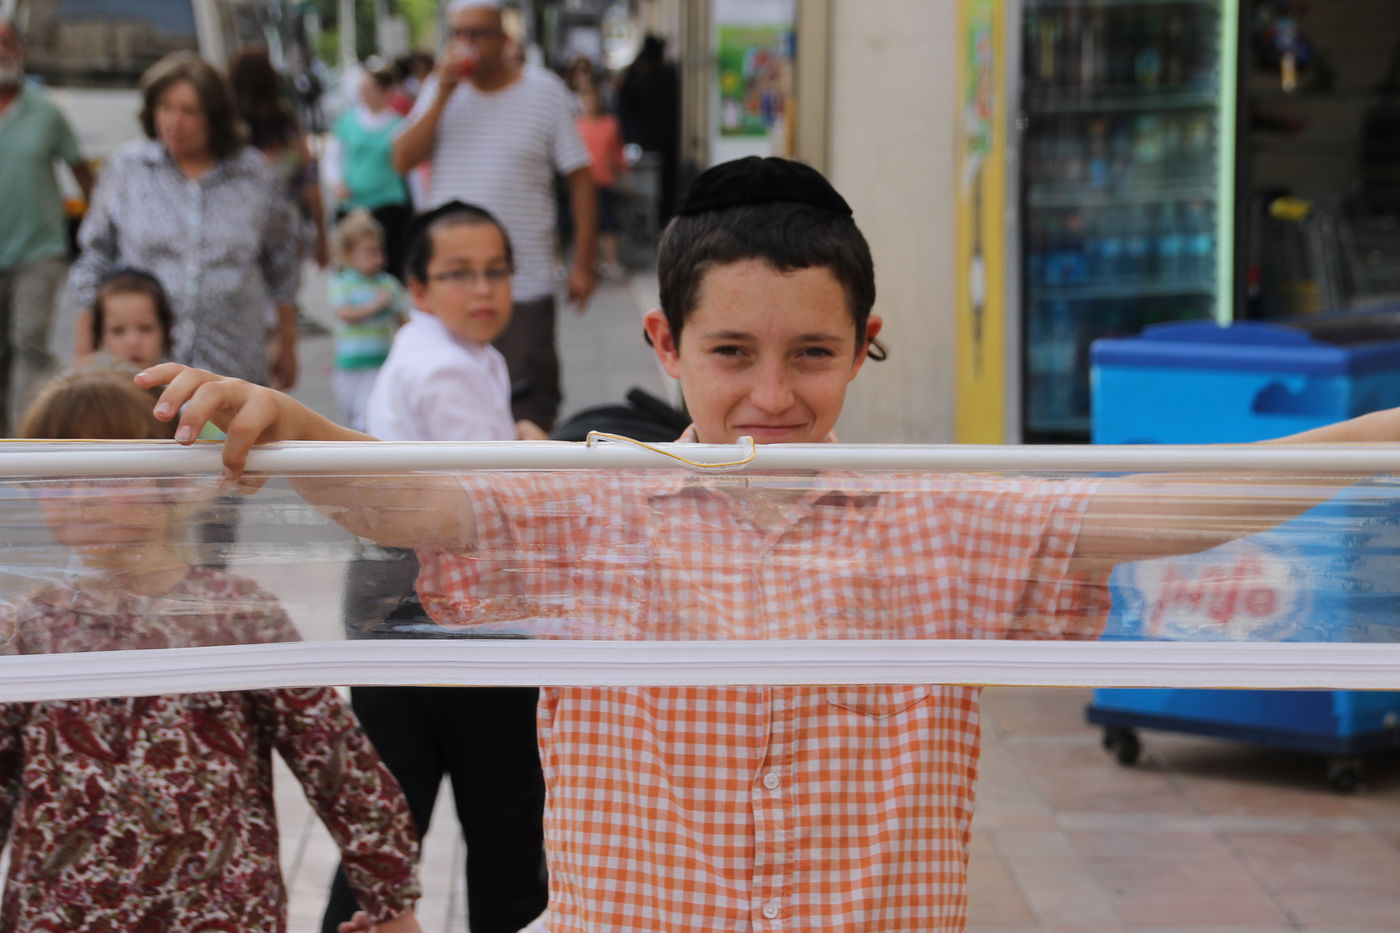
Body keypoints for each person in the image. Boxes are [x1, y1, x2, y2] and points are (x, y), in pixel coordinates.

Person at [137, 156, 1400, 932]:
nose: (772, 396)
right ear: (664, 344)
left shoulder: (940, 520)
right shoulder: (586, 505)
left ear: (866, 344)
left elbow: (1158, 508)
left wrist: (1377, 433)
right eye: (730, 353)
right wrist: (289, 427)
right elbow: (416, 507)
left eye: (814, 354)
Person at [0, 367, 424, 933]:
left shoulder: (234, 614)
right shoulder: (25, 630)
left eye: (104, 470)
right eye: (58, 477)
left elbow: (337, 763)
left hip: (221, 913)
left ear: (166, 477)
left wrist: (392, 902)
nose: (80, 496)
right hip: (58, 916)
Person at [322, 202, 547, 933]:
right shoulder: (445, 365)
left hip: (395, 596)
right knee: (502, 820)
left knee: (387, 818)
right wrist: (536, 453)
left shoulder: (450, 349)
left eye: (496, 271)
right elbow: (486, 504)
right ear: (417, 287)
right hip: (449, 608)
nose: (482, 288)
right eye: (458, 274)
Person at [392, 0, 598, 432]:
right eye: (459, 34)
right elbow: (402, 159)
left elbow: (580, 178)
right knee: (454, 404)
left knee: (529, 406)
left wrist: (583, 262)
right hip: (451, 282)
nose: (467, 44)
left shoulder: (544, 92)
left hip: (524, 282)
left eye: (478, 34)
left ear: (504, 39)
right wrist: (442, 94)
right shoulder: (439, 89)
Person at [65, 52, 301, 390]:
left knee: (227, 423)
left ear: (215, 117)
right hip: (144, 361)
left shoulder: (253, 175)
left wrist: (287, 342)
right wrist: (84, 349)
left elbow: (283, 261)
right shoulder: (128, 168)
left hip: (232, 355)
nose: (174, 122)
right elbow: (94, 257)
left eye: (189, 111)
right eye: (165, 107)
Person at [0, 18, 94, 432]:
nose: (1, 52)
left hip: (39, 252)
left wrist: (102, 231)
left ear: (21, 52)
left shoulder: (47, 113)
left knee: (30, 345)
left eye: (8, 44)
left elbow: (83, 174)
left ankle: (31, 441)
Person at [228, 46, 330, 269]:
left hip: (235, 237)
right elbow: (310, 185)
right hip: (284, 238)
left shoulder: (224, 132)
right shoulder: (287, 127)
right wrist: (322, 236)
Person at [327, 63, 412, 281]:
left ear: (385, 91)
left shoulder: (399, 125)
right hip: (354, 204)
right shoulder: (348, 120)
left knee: (388, 264)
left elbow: (409, 167)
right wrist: (337, 182)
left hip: (388, 204)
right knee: (352, 266)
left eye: (369, 89)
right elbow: (333, 155)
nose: (364, 95)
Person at [329, 210, 406, 433]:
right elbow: (344, 313)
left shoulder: (388, 283)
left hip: (379, 363)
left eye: (378, 250)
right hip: (350, 364)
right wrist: (376, 305)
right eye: (368, 252)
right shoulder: (343, 283)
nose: (376, 257)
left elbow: (403, 321)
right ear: (349, 255)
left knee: (368, 416)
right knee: (347, 414)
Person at [575, 84, 628, 277]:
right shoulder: (577, 125)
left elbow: (618, 151)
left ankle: (611, 261)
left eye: (593, 98)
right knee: (587, 223)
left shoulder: (610, 124)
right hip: (583, 183)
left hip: (604, 180)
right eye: (586, 99)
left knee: (608, 222)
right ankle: (592, 262)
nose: (590, 103)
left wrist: (625, 174)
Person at [89, 267, 175, 371]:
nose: (133, 341)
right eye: (118, 330)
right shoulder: (85, 381)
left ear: (165, 331)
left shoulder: (180, 380)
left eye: (145, 329)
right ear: (99, 338)